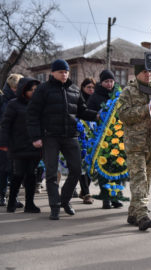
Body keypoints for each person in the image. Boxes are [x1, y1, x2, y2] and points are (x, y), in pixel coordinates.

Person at [27, 59, 98, 220]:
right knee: (51, 174)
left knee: (76, 170)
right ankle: (54, 207)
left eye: (66, 71)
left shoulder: (73, 89)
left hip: (70, 136)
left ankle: (64, 201)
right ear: (53, 73)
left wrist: (98, 115)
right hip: (50, 136)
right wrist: (36, 137)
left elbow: (82, 111)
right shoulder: (43, 90)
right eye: (61, 71)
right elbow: (32, 114)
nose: (64, 74)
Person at [117, 63, 151, 231]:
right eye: (144, 71)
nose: (148, 74)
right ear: (137, 73)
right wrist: (146, 109)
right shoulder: (128, 92)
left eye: (150, 71)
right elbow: (123, 115)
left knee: (146, 182)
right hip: (136, 144)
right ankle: (142, 215)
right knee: (139, 180)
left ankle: (133, 212)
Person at [0, 78, 41, 213]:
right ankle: (12, 201)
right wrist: (4, 142)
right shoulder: (13, 104)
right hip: (17, 145)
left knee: (31, 174)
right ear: (24, 90)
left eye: (36, 90)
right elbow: (5, 125)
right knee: (17, 174)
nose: (34, 92)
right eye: (32, 90)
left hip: (34, 145)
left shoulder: (39, 104)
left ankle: (30, 203)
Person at [87, 70, 123, 209]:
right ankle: (106, 198)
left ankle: (115, 197)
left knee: (117, 168)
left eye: (111, 81)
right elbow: (88, 115)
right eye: (106, 81)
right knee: (103, 168)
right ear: (101, 82)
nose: (109, 84)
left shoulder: (120, 95)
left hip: (118, 136)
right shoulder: (95, 97)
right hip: (101, 137)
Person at [0, 73, 23, 207]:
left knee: (16, 170)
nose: (16, 90)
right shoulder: (3, 100)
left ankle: (13, 198)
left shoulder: (22, 100)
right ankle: (1, 195)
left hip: (18, 139)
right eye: (14, 87)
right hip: (4, 138)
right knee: (3, 169)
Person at [77, 77, 96, 205]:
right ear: (83, 88)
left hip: (94, 136)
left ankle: (84, 191)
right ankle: (86, 193)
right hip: (80, 134)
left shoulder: (95, 100)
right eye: (88, 87)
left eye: (93, 87)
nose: (91, 90)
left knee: (91, 166)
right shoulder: (79, 98)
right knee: (82, 164)